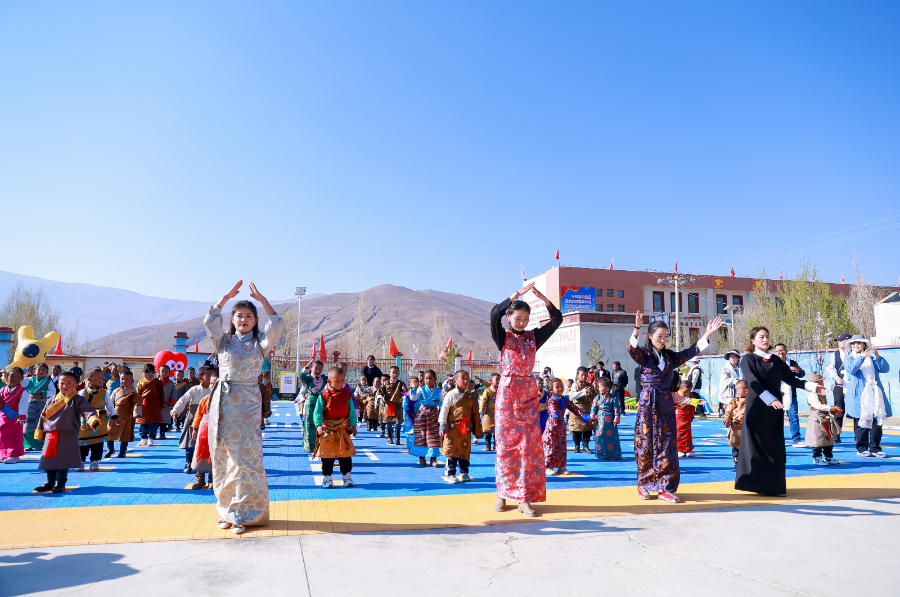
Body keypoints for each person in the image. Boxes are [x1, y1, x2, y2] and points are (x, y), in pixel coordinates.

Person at [204, 280, 283, 534]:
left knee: (247, 458)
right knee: (222, 457)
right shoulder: (223, 342)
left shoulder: (260, 344)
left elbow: (276, 324)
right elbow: (210, 321)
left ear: (255, 320)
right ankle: (226, 510)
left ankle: (245, 513)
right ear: (232, 319)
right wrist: (225, 298)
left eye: (249, 316)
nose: (244, 319)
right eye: (239, 315)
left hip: (248, 404)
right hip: (223, 405)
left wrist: (263, 300)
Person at [627, 310, 723, 503]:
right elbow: (631, 348)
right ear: (649, 336)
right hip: (648, 403)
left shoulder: (670, 357)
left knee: (668, 444)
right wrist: (636, 328)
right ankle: (643, 484)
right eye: (659, 336)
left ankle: (666, 487)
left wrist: (708, 334)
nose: (663, 340)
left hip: (665, 403)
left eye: (665, 337)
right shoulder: (643, 355)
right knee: (645, 443)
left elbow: (689, 352)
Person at [490, 282, 563, 517]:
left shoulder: (533, 337)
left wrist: (543, 298)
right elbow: (494, 313)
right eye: (517, 318)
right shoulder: (502, 337)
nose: (521, 323)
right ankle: (502, 494)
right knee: (506, 446)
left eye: (525, 319)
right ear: (509, 317)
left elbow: (557, 320)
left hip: (528, 397)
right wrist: (516, 295)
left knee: (528, 448)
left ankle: (524, 497)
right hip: (507, 397)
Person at [735, 327, 825, 496]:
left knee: (774, 445)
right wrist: (770, 399)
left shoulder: (776, 359)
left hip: (775, 408)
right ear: (753, 340)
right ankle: (756, 484)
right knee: (756, 447)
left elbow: (791, 379)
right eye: (761, 337)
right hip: (757, 407)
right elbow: (753, 381)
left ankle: (773, 487)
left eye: (767, 336)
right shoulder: (748, 359)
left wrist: (813, 387)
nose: (765, 340)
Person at [34, 371, 100, 493]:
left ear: (76, 385)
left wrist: (93, 419)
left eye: (69, 383)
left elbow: (88, 410)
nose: (65, 386)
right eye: (62, 383)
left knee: (63, 460)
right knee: (48, 459)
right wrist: (40, 429)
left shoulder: (78, 400)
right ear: (57, 385)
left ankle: (60, 483)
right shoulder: (51, 400)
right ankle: (49, 482)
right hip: (51, 434)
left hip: (68, 434)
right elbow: (43, 417)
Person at [843, 335, 891, 458]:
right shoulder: (849, 358)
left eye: (859, 343)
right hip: (859, 394)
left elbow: (885, 369)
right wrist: (861, 358)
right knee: (861, 421)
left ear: (864, 345)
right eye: (853, 343)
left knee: (877, 420)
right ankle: (861, 448)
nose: (856, 345)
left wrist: (877, 356)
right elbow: (851, 369)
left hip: (875, 392)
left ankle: (875, 448)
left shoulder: (872, 359)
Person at [314, 366, 357, 488]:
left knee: (345, 455)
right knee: (327, 456)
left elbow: (352, 411)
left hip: (343, 429)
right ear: (329, 381)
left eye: (342, 380)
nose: (340, 383)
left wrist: (353, 425)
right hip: (328, 430)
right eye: (337, 381)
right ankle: (327, 478)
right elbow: (317, 412)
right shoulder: (324, 395)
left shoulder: (346, 394)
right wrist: (318, 425)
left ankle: (346, 476)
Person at [439, 370, 484, 484]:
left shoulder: (471, 396)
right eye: (463, 378)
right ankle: (450, 473)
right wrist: (442, 425)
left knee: (465, 449)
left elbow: (475, 414)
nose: (466, 381)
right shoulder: (450, 394)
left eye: (467, 379)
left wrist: (477, 429)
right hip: (452, 428)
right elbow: (444, 410)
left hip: (466, 429)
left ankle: (464, 472)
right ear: (455, 381)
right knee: (451, 450)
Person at [171, 365, 214, 474]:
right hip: (193, 417)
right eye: (209, 375)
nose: (212, 377)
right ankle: (188, 462)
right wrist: (176, 411)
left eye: (213, 375)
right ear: (200, 377)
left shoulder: (215, 390)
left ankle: (207, 464)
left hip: (210, 418)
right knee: (191, 441)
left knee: (208, 442)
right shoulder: (194, 389)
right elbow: (183, 400)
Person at [542, 378, 589, 476]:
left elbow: (575, 409)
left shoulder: (565, 400)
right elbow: (552, 409)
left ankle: (562, 467)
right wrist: (555, 415)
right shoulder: (551, 400)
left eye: (561, 386)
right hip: (552, 426)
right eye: (557, 387)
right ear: (551, 390)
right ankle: (548, 466)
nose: (560, 388)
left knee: (562, 446)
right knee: (551, 446)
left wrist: (587, 418)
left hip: (561, 426)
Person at [77, 367, 116, 471]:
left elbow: (109, 405)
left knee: (98, 442)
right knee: (83, 443)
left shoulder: (104, 392)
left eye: (102, 377)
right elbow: (77, 407)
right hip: (85, 421)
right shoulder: (82, 392)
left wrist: (114, 416)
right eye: (98, 377)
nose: (101, 379)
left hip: (100, 421)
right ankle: (80, 461)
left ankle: (95, 461)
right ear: (89, 379)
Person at [772, 343, 807, 447]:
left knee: (794, 418)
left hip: (791, 395)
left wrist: (797, 371)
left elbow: (802, 374)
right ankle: (778, 440)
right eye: (777, 351)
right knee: (777, 419)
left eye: (782, 350)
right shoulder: (771, 363)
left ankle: (796, 440)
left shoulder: (792, 362)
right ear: (774, 352)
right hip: (776, 396)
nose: (780, 352)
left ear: (786, 351)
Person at [804, 372, 842, 465]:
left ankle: (828, 456)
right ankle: (817, 458)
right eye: (819, 382)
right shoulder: (812, 394)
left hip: (824, 417)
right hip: (816, 418)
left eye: (822, 382)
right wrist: (831, 408)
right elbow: (818, 406)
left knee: (828, 438)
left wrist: (832, 411)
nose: (821, 384)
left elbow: (823, 405)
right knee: (817, 439)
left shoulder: (821, 393)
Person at [825, 333, 852, 442]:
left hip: (852, 384)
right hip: (839, 384)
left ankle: (858, 435)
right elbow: (831, 367)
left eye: (841, 340)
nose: (839, 342)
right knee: (838, 408)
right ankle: (836, 434)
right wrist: (836, 377)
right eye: (839, 341)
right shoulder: (835, 354)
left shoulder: (854, 353)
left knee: (855, 408)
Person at [107, 370, 140, 458]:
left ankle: (122, 451)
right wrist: (107, 412)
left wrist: (137, 413)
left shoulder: (133, 393)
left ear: (132, 381)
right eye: (122, 379)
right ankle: (110, 449)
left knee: (125, 435)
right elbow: (110, 402)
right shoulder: (116, 391)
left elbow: (137, 404)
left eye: (126, 379)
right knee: (109, 432)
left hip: (127, 416)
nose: (124, 381)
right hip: (115, 415)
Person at [412, 370, 442, 467]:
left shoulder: (438, 391)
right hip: (422, 414)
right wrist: (413, 389)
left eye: (431, 378)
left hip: (433, 414)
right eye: (426, 378)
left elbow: (442, 402)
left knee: (433, 436)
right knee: (422, 435)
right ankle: (422, 457)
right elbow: (413, 398)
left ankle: (433, 458)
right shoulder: (421, 389)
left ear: (435, 379)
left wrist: (438, 402)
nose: (428, 381)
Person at [24, 363, 56, 452]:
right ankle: (28, 444)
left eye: (44, 370)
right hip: (30, 404)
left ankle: (39, 444)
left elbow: (53, 392)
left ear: (47, 372)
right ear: (34, 371)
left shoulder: (48, 381)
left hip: (42, 404)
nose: (41, 371)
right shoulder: (28, 380)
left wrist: (42, 392)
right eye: (39, 369)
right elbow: (19, 384)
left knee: (40, 423)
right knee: (28, 424)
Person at [0, 367, 29, 464]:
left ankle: (14, 455)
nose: (15, 379)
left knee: (14, 436)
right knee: (2, 436)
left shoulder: (23, 391)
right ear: (7, 377)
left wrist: (21, 417)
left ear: (22, 378)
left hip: (15, 417)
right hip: (2, 416)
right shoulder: (2, 390)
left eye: (18, 376)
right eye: (12, 376)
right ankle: (3, 454)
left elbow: (23, 404)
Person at [190, 380, 215, 490]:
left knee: (215, 453)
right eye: (211, 383)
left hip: (218, 430)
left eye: (216, 383)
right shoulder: (205, 399)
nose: (213, 385)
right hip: (204, 430)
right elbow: (198, 415)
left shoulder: (225, 400)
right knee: (201, 452)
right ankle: (200, 477)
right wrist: (195, 429)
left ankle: (212, 477)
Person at [591, 377, 622, 460]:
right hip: (600, 420)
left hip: (610, 421)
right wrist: (592, 418)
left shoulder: (613, 398)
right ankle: (601, 454)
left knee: (612, 437)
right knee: (600, 436)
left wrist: (616, 419)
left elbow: (617, 409)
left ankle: (614, 454)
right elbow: (593, 409)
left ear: (607, 388)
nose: (599, 389)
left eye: (600, 387)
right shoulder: (597, 398)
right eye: (598, 387)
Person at [300, 360, 327, 453]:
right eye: (316, 368)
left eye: (320, 369)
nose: (318, 371)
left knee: (321, 424)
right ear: (311, 368)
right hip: (311, 404)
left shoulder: (324, 378)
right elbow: (302, 376)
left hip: (321, 403)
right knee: (310, 424)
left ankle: (320, 445)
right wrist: (306, 367)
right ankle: (309, 446)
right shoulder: (308, 378)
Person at [567, 367, 596, 453]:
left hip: (587, 409)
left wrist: (593, 391)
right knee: (576, 429)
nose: (584, 377)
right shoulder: (575, 385)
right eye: (582, 375)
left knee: (588, 429)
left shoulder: (589, 385)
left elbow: (596, 395)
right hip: (577, 410)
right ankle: (577, 446)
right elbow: (572, 395)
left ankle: (586, 446)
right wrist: (584, 392)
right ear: (577, 375)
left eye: (586, 375)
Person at [135, 364, 165, 447]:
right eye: (145, 374)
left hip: (154, 405)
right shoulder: (141, 382)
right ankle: (143, 438)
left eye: (149, 374)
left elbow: (161, 394)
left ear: (154, 373)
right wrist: (136, 404)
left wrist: (162, 404)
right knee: (142, 423)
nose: (147, 376)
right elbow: (137, 394)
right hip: (143, 405)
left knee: (153, 423)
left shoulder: (158, 382)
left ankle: (151, 438)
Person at [378, 366, 407, 446]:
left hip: (398, 405)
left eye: (396, 373)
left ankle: (397, 439)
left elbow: (405, 391)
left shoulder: (400, 383)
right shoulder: (386, 383)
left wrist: (404, 396)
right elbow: (380, 392)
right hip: (389, 405)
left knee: (398, 423)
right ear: (389, 374)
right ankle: (390, 437)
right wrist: (380, 398)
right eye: (393, 373)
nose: (395, 374)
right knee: (389, 422)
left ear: (399, 374)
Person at [724, 380, 748, 468]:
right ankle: (736, 458)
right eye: (736, 390)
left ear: (746, 390)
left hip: (748, 426)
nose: (737, 392)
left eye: (738, 390)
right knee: (735, 442)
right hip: (736, 426)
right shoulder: (735, 401)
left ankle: (746, 459)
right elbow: (728, 411)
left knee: (747, 443)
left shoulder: (751, 400)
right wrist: (727, 420)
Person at [674, 380, 701, 457]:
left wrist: (692, 415)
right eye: (685, 391)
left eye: (689, 391)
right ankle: (679, 449)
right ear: (680, 388)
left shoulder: (690, 397)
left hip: (687, 418)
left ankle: (687, 449)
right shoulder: (675, 396)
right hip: (677, 418)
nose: (687, 393)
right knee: (679, 434)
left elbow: (691, 407)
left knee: (687, 435)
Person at [479, 373, 499, 452]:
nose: (498, 381)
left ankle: (496, 446)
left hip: (498, 414)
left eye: (499, 380)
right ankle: (488, 445)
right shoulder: (487, 391)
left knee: (497, 430)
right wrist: (482, 411)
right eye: (497, 380)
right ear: (491, 381)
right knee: (487, 430)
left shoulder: (501, 391)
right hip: (488, 413)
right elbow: (483, 401)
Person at [718, 350, 741, 417]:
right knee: (729, 415)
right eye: (730, 356)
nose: (732, 358)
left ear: (738, 357)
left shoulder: (742, 368)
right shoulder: (725, 368)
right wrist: (736, 381)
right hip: (728, 395)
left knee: (739, 415)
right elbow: (725, 380)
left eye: (734, 356)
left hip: (740, 394)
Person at [157, 365, 177, 440]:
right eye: (162, 371)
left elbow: (174, 393)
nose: (164, 373)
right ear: (159, 372)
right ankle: (152, 433)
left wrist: (172, 401)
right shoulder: (155, 382)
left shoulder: (171, 383)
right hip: (156, 404)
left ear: (169, 372)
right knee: (155, 420)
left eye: (166, 371)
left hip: (166, 404)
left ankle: (162, 433)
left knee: (164, 420)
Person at [403, 376, 420, 455]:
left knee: (419, 432)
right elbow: (405, 406)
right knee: (410, 433)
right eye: (413, 381)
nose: (415, 383)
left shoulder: (421, 394)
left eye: (417, 382)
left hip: (419, 416)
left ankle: (418, 447)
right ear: (409, 384)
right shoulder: (406, 395)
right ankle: (410, 447)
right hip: (409, 417)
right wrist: (411, 414)